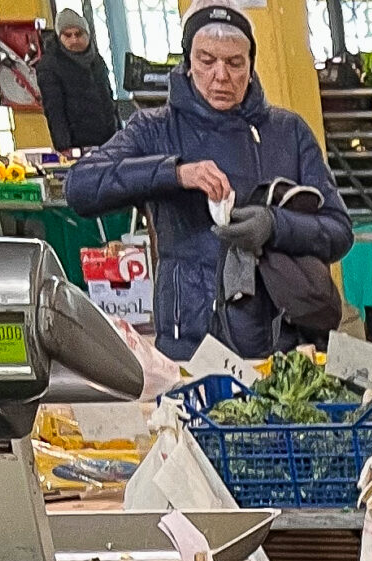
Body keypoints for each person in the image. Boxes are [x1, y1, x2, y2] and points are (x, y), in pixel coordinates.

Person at [65, 3, 352, 359]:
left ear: (251, 65)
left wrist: (274, 225)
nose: (221, 75)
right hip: (191, 341)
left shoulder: (288, 131)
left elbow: (339, 231)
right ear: (187, 63)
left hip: (284, 341)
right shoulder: (155, 129)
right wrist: (174, 173)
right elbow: (80, 186)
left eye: (235, 63)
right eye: (206, 60)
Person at [37, 10, 120, 152]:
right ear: (59, 37)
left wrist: (119, 135)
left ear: (87, 35)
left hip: (109, 141)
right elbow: (55, 111)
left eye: (79, 34)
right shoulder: (49, 66)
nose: (74, 40)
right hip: (77, 145)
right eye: (68, 35)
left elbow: (109, 101)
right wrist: (64, 147)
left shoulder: (97, 60)